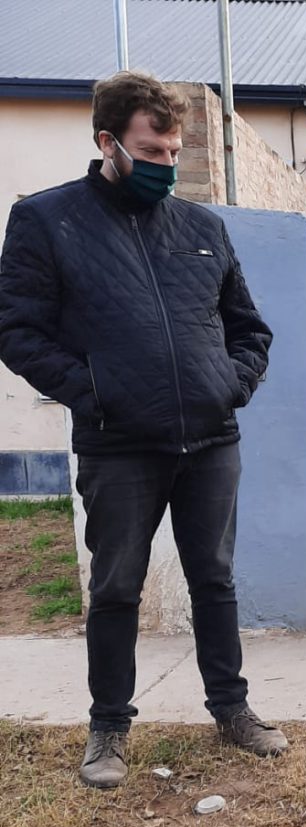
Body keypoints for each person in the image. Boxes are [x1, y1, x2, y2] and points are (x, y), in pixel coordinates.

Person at [0, 71, 288, 789]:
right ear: (107, 143)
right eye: (150, 151)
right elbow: (17, 330)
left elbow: (249, 328)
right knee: (116, 587)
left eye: (172, 150)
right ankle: (109, 728)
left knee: (213, 580)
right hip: (119, 445)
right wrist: (95, 393)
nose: (164, 164)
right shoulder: (48, 221)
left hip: (210, 441)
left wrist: (232, 384)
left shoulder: (202, 228)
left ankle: (233, 711)